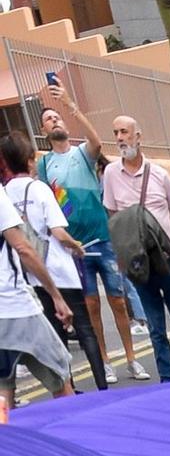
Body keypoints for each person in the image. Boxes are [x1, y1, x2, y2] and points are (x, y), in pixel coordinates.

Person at [37, 79, 148, 382]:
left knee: (118, 301)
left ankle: (131, 358)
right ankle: (105, 361)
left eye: (57, 117)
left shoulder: (82, 153)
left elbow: (97, 142)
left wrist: (70, 105)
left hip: (105, 239)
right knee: (91, 306)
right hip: (75, 247)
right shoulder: (45, 165)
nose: (55, 120)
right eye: (49, 119)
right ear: (44, 130)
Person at [101, 116, 170, 382]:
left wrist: (162, 240)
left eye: (124, 132)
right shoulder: (112, 174)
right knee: (156, 329)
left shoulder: (159, 174)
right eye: (116, 133)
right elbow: (113, 216)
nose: (120, 137)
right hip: (139, 264)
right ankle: (167, 381)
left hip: (167, 259)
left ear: (138, 136)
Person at [1, 130, 106, 389]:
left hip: (28, 279)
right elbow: (47, 237)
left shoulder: (6, 192)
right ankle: (100, 389)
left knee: (7, 383)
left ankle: (8, 426)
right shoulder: (37, 189)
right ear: (28, 160)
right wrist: (76, 247)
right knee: (78, 338)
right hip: (43, 281)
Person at [0, 183, 73, 413]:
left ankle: (8, 447)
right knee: (61, 377)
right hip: (15, 306)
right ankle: (74, 440)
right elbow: (23, 248)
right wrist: (56, 295)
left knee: (3, 392)